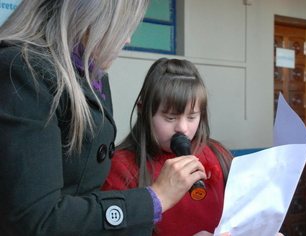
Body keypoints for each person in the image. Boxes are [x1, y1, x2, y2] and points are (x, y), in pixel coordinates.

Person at [0, 1, 222, 235]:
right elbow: (37, 218)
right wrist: (155, 198)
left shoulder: (92, 75)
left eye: (192, 116)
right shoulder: (21, 71)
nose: (126, 40)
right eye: (120, 25)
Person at [102, 58, 234, 235]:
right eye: (170, 118)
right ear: (143, 110)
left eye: (192, 117)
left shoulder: (220, 156)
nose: (183, 128)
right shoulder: (119, 168)